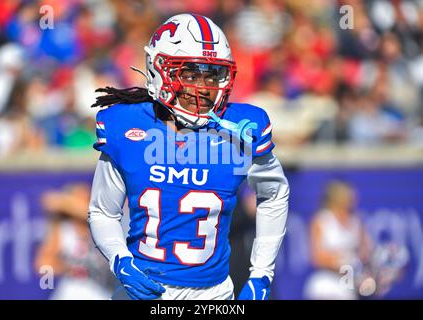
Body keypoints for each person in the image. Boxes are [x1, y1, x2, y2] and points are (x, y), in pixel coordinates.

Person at [87, 13, 289, 300]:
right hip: (144, 291)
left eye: (212, 75)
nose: (204, 88)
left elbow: (274, 195)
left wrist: (261, 273)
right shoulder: (128, 127)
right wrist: (120, 259)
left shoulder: (240, 129)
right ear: (160, 71)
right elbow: (103, 211)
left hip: (214, 295)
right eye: (191, 74)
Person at [35, 183, 115, 300]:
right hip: (72, 290)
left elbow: (85, 212)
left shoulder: (102, 224)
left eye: (88, 198)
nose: (87, 202)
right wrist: (68, 268)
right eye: (82, 199)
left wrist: (64, 203)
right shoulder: (64, 230)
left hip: (101, 289)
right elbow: (42, 264)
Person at [304, 180, 371, 300]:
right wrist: (344, 262)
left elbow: (366, 253)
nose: (353, 199)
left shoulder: (356, 221)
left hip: (349, 289)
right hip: (325, 286)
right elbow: (317, 257)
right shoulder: (321, 220)